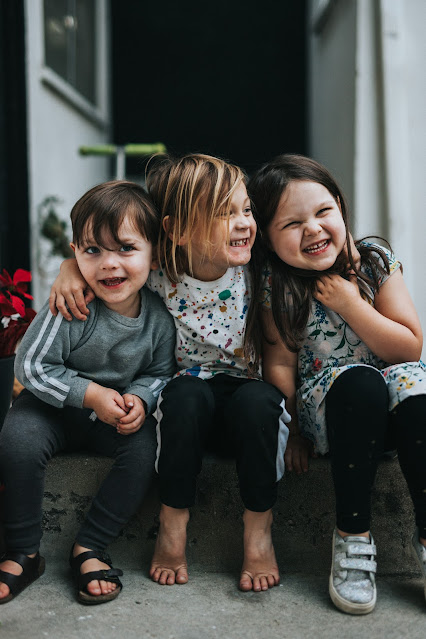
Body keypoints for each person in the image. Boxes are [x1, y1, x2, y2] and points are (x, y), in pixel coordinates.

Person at [47, 154, 291, 593]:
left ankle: (259, 532)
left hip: (246, 408)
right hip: (184, 413)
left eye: (246, 209)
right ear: (177, 232)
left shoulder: (258, 271)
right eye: (224, 213)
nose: (243, 223)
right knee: (185, 394)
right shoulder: (162, 274)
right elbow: (112, 263)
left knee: (260, 401)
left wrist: (301, 432)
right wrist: (68, 269)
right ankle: (172, 524)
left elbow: (280, 357)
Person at [246, 153, 426, 614]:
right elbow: (280, 366)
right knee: (360, 383)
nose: (313, 229)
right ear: (267, 237)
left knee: (414, 381)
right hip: (336, 416)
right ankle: (352, 535)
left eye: (323, 212)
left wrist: (350, 303)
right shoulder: (277, 285)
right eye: (291, 223)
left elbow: (409, 347)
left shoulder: (374, 262)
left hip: (397, 415)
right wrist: (294, 433)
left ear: (341, 208)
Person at [0, 181, 176, 605]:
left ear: (154, 253)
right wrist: (89, 393)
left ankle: (90, 546)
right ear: (75, 252)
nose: (108, 265)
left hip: (113, 416)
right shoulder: (72, 304)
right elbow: (31, 365)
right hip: (48, 408)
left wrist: (141, 398)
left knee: (143, 453)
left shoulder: (159, 319)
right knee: (17, 440)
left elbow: (160, 371)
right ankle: (23, 550)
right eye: (92, 250)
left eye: (125, 249)